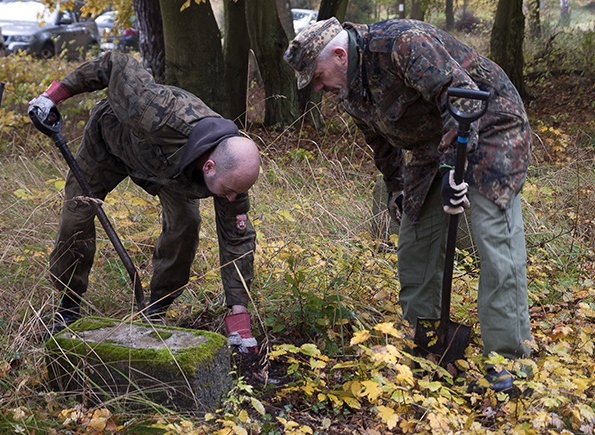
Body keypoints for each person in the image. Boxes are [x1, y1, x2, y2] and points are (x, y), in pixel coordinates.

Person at [284, 18, 533, 390]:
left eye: (318, 77)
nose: (319, 88)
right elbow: (381, 142)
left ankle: (509, 363)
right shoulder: (349, 87)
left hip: (491, 125)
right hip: (433, 142)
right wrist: (399, 189)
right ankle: (427, 345)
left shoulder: (404, 45)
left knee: (494, 238)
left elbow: (462, 95)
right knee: (415, 240)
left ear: (339, 54)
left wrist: (454, 171)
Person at [29, 51, 260, 354]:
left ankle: (158, 308)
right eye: (229, 191)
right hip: (109, 144)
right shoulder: (157, 111)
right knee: (76, 215)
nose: (232, 198)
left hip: (170, 174)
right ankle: (68, 305)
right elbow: (114, 63)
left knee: (186, 224)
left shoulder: (233, 176)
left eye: (235, 193)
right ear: (210, 166)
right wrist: (53, 97)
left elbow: (237, 242)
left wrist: (238, 314)